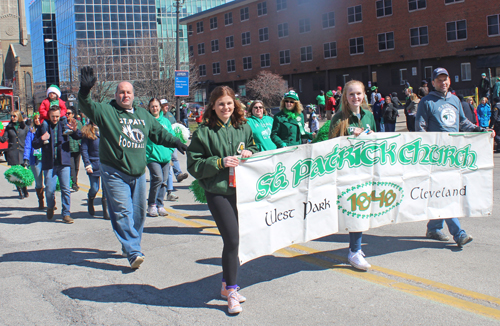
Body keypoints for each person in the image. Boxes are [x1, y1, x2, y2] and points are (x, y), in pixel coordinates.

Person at [77, 66, 187, 269]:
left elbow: (159, 133)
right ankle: (134, 250)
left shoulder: (143, 116)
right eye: (121, 92)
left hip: (137, 173)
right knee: (122, 211)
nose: (124, 95)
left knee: (139, 213)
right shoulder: (106, 111)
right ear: (116, 95)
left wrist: (176, 143)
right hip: (114, 172)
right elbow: (86, 105)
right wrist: (84, 91)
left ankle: (130, 244)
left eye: (128, 92)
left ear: (133, 96)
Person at [187, 86, 258, 314]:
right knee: (232, 239)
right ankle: (232, 291)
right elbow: (194, 165)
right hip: (217, 191)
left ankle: (227, 286)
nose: (225, 108)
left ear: (234, 104)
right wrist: (219, 163)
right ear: (213, 107)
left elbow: (254, 148)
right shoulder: (203, 132)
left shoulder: (243, 127)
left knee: (238, 241)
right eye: (220, 104)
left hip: (241, 190)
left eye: (229, 103)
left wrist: (250, 152)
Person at [416, 67, 495, 247]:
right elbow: (420, 129)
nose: (442, 82)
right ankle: (458, 233)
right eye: (439, 80)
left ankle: (434, 227)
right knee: (446, 194)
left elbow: (462, 123)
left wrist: (481, 130)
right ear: (433, 83)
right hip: (436, 157)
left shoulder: (454, 99)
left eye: (445, 79)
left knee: (444, 193)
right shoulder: (426, 102)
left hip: (454, 156)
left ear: (449, 81)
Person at [328, 80, 377, 271]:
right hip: (347, 170)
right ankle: (354, 251)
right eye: (351, 94)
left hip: (365, 168)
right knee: (356, 208)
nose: (355, 97)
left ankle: (356, 247)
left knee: (363, 208)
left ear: (364, 95)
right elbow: (330, 145)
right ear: (345, 97)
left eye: (358, 94)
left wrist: (372, 134)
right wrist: (349, 133)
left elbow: (376, 139)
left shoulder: (369, 116)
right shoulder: (338, 118)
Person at [32, 106, 82, 223]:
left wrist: (74, 130)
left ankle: (66, 214)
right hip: (50, 163)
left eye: (57, 116)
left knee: (65, 189)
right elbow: (34, 143)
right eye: (53, 116)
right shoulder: (44, 127)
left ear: (60, 115)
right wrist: (41, 139)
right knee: (49, 189)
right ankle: (50, 206)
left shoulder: (63, 124)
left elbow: (78, 136)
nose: (55, 119)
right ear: (49, 115)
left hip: (63, 162)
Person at [145, 98, 176, 217]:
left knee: (164, 181)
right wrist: (147, 153)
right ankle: (151, 204)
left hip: (165, 156)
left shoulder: (166, 121)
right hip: (152, 156)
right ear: (149, 108)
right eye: (152, 106)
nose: (155, 108)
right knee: (157, 178)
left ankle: (160, 204)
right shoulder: (147, 121)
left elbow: (171, 137)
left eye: (156, 106)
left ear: (160, 107)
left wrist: (170, 152)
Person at [81, 120, 109, 219]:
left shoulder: (105, 129)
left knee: (106, 189)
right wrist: (87, 164)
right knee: (95, 188)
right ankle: (91, 199)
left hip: (105, 163)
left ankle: (106, 211)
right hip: (93, 164)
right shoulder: (87, 131)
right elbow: (84, 150)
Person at [0, 110, 29, 198]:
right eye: (11, 116)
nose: (12, 118)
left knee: (22, 173)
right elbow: (3, 139)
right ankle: (20, 192)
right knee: (15, 174)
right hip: (12, 152)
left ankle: (24, 189)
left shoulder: (25, 127)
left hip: (22, 152)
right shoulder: (9, 127)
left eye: (14, 116)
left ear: (19, 117)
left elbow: (28, 140)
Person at [23, 113, 45, 208]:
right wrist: (26, 159)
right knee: (39, 182)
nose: (37, 120)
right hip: (35, 160)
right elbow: (28, 146)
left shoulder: (46, 130)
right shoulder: (31, 132)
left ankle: (51, 203)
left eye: (39, 118)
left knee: (49, 181)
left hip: (46, 158)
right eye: (35, 119)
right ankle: (41, 201)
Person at [66, 108, 82, 191]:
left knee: (76, 167)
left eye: (69, 113)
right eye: (66, 113)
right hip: (68, 149)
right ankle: (74, 183)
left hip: (77, 148)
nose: (67, 115)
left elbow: (81, 134)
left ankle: (74, 180)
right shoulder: (64, 123)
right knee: (72, 167)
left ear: (73, 114)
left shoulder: (78, 123)